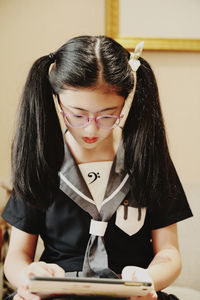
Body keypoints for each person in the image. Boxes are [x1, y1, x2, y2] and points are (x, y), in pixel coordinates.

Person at [2, 35, 192, 300]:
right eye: (77, 115)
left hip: (133, 292)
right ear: (57, 101)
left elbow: (169, 254)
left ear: (126, 102)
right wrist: (31, 277)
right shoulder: (41, 158)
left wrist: (148, 279)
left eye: (107, 115)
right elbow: (17, 258)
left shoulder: (146, 158)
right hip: (57, 291)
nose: (91, 128)